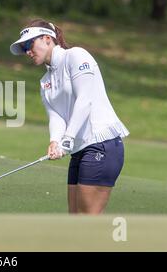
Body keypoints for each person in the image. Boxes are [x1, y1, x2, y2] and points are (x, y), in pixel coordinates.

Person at [10, 19, 129, 214]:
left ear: (47, 39)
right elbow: (56, 116)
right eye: (24, 48)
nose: (27, 52)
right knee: (74, 219)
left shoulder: (76, 56)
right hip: (79, 148)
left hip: (102, 144)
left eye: (29, 44)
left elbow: (85, 100)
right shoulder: (45, 82)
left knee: (86, 220)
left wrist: (67, 139)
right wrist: (55, 141)